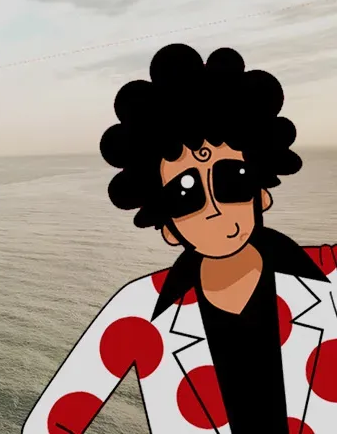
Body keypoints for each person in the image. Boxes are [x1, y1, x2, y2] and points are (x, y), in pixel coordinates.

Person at [23, 43, 337, 433]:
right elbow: (51, 423)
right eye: (185, 195)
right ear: (169, 227)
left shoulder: (330, 276)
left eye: (232, 180)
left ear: (262, 193)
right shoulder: (138, 313)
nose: (214, 207)